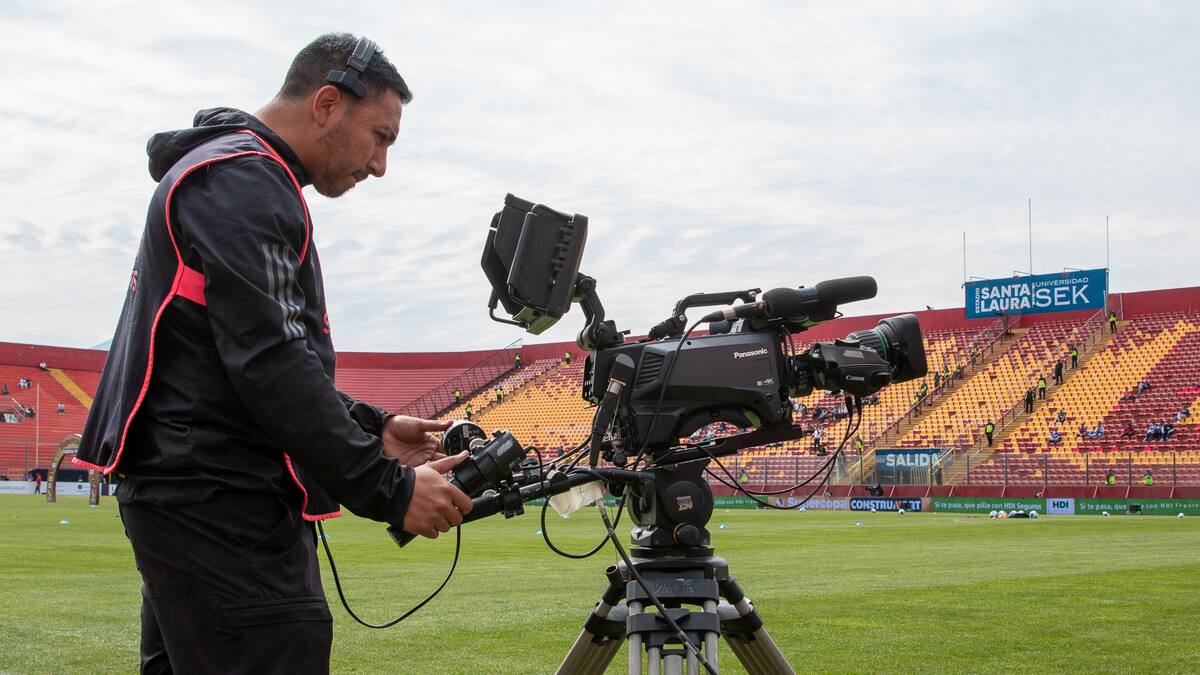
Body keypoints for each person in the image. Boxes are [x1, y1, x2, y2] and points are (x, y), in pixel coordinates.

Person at [72, 35, 473, 672]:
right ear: (326, 104)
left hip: (200, 502)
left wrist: (375, 429)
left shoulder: (234, 175)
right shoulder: (245, 180)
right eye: (381, 136)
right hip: (222, 508)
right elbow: (269, 362)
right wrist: (389, 490)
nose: (380, 166)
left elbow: (237, 353)